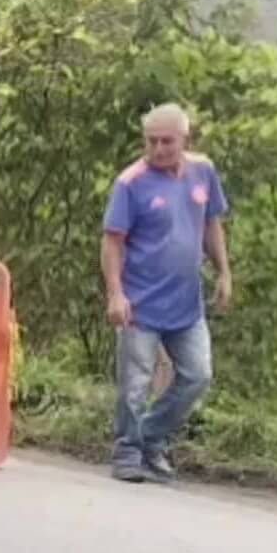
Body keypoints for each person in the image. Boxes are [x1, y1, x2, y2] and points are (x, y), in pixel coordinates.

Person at [102, 103, 233, 484]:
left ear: (184, 140)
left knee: (197, 376)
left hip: (186, 303)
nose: (158, 149)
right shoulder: (131, 183)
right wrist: (115, 294)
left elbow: (212, 224)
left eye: (166, 141)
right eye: (151, 141)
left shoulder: (203, 172)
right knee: (135, 384)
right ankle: (128, 451)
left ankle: (150, 436)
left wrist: (224, 272)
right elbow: (112, 242)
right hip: (140, 304)